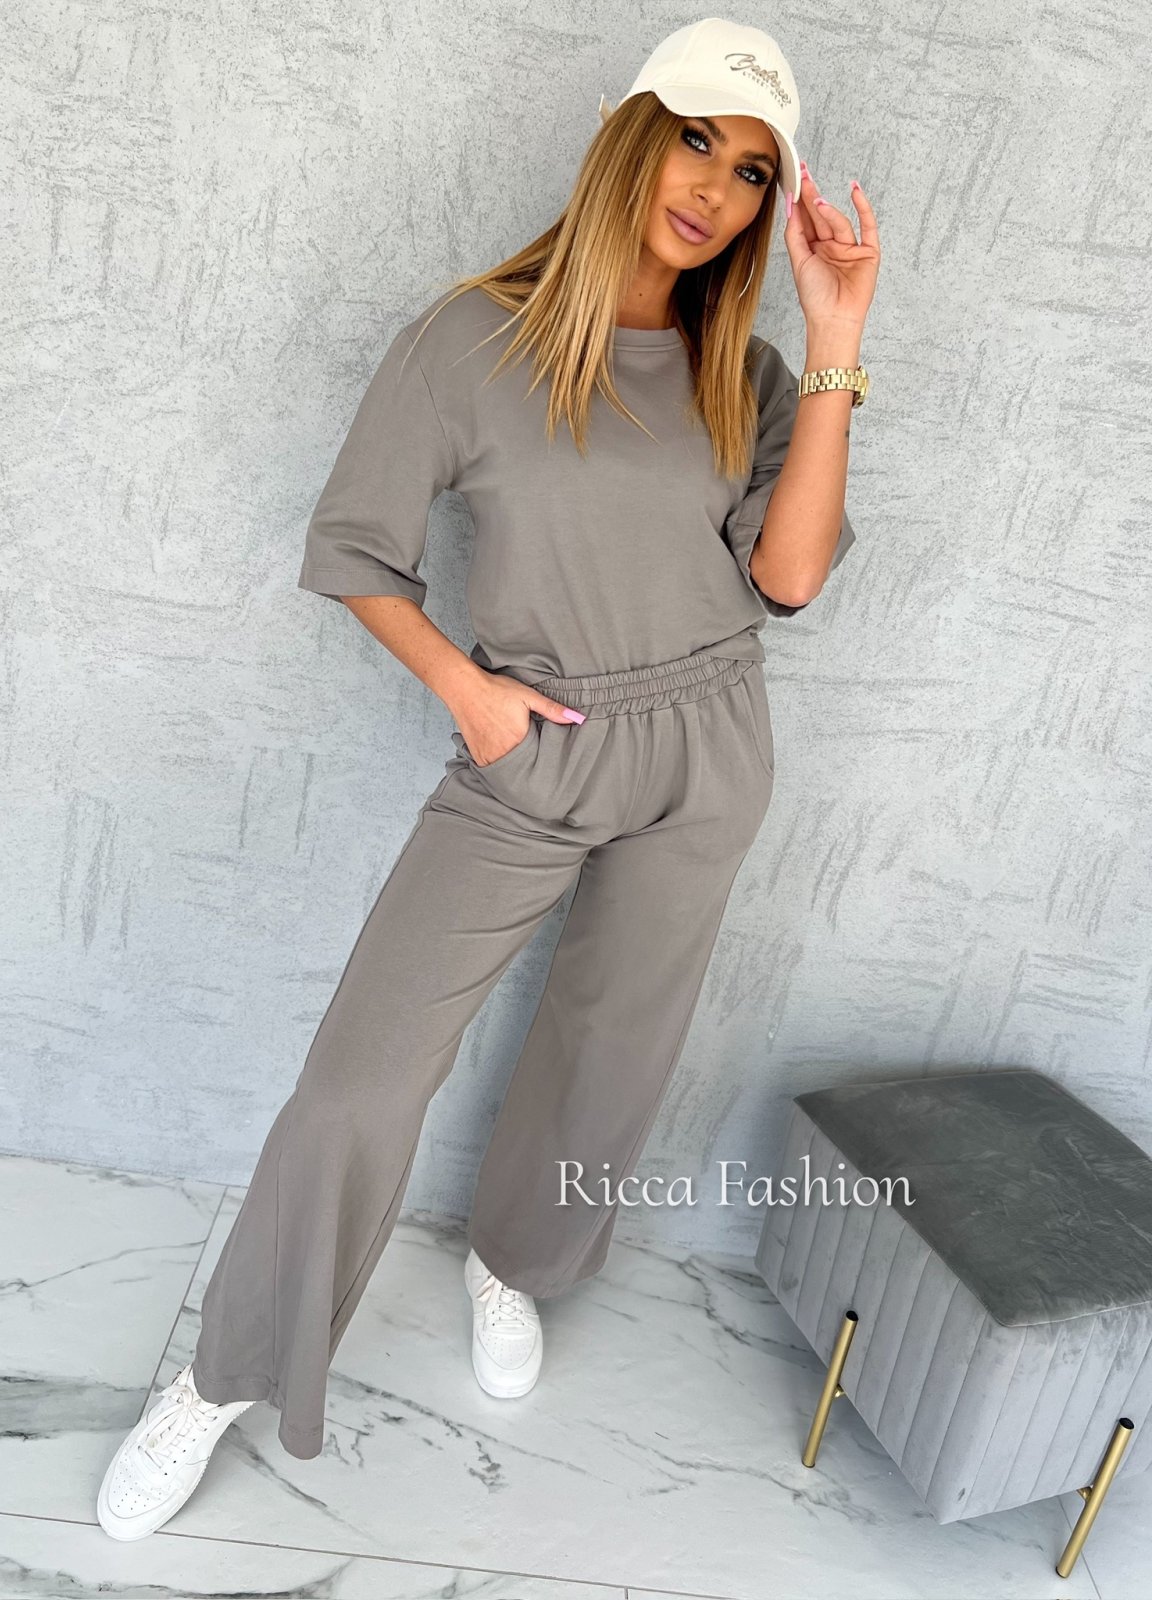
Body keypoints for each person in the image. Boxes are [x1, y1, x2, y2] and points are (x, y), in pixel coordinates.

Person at [96, 16, 879, 1542]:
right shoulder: (472, 341)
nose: (713, 188)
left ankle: (512, 1261)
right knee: (361, 1078)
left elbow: (788, 581)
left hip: (710, 741)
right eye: (696, 139)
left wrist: (838, 329)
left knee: (611, 1046)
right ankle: (220, 1375)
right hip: (539, 745)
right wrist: (469, 691)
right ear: (630, 132)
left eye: (751, 170)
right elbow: (356, 548)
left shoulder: (751, 370)